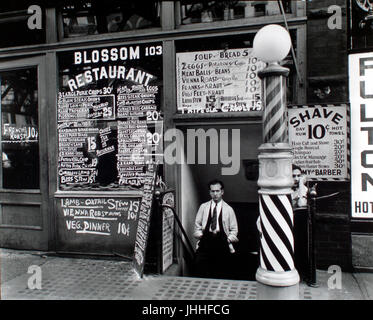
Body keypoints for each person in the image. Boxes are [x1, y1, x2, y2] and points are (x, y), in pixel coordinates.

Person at [193, 180, 238, 279]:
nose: (215, 194)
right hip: (206, 241)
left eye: (217, 191)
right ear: (209, 192)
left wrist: (228, 240)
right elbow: (197, 226)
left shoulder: (229, 209)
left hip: (222, 242)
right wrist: (202, 236)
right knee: (202, 270)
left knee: (221, 271)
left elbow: (234, 230)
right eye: (212, 191)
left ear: (222, 192)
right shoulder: (203, 207)